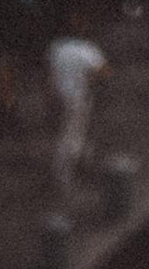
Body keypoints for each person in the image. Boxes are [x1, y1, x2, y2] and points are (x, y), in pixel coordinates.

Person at [43, 23, 107, 203]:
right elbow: (104, 72)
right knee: (71, 136)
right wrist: (92, 78)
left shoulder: (57, 47)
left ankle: (81, 164)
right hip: (78, 97)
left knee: (69, 133)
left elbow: (49, 71)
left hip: (58, 97)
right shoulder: (88, 50)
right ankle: (63, 177)